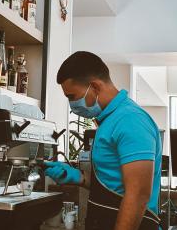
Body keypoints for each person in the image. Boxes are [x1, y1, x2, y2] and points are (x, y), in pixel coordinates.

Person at [44, 51, 162, 230]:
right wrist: (79, 177)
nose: (71, 104)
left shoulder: (130, 120)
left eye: (72, 96)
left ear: (95, 87)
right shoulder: (110, 120)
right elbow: (115, 183)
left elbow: (138, 194)